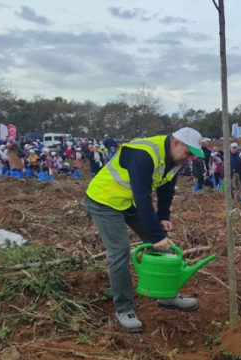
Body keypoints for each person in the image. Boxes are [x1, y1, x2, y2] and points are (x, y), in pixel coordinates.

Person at [84, 127, 205, 333]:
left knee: (164, 244)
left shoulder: (175, 160)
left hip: (127, 201)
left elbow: (166, 188)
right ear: (176, 143)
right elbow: (143, 197)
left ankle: (166, 295)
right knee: (120, 250)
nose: (190, 158)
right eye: (188, 153)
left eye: (193, 155)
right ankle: (124, 309)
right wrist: (157, 235)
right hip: (104, 200)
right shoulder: (144, 153)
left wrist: (164, 217)